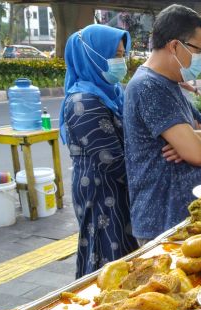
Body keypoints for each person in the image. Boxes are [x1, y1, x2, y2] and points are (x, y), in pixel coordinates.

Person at [123, 4, 201, 244]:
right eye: (199, 49)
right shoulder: (149, 87)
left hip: (180, 220)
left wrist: (192, 138)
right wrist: (195, 141)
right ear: (175, 45)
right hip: (161, 226)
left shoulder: (170, 84)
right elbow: (200, 155)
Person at [60, 24, 138, 278]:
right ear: (91, 55)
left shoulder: (112, 93)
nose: (120, 61)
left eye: (122, 54)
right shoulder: (83, 101)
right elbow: (112, 160)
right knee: (107, 252)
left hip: (120, 186)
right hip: (101, 187)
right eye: (113, 54)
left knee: (124, 250)